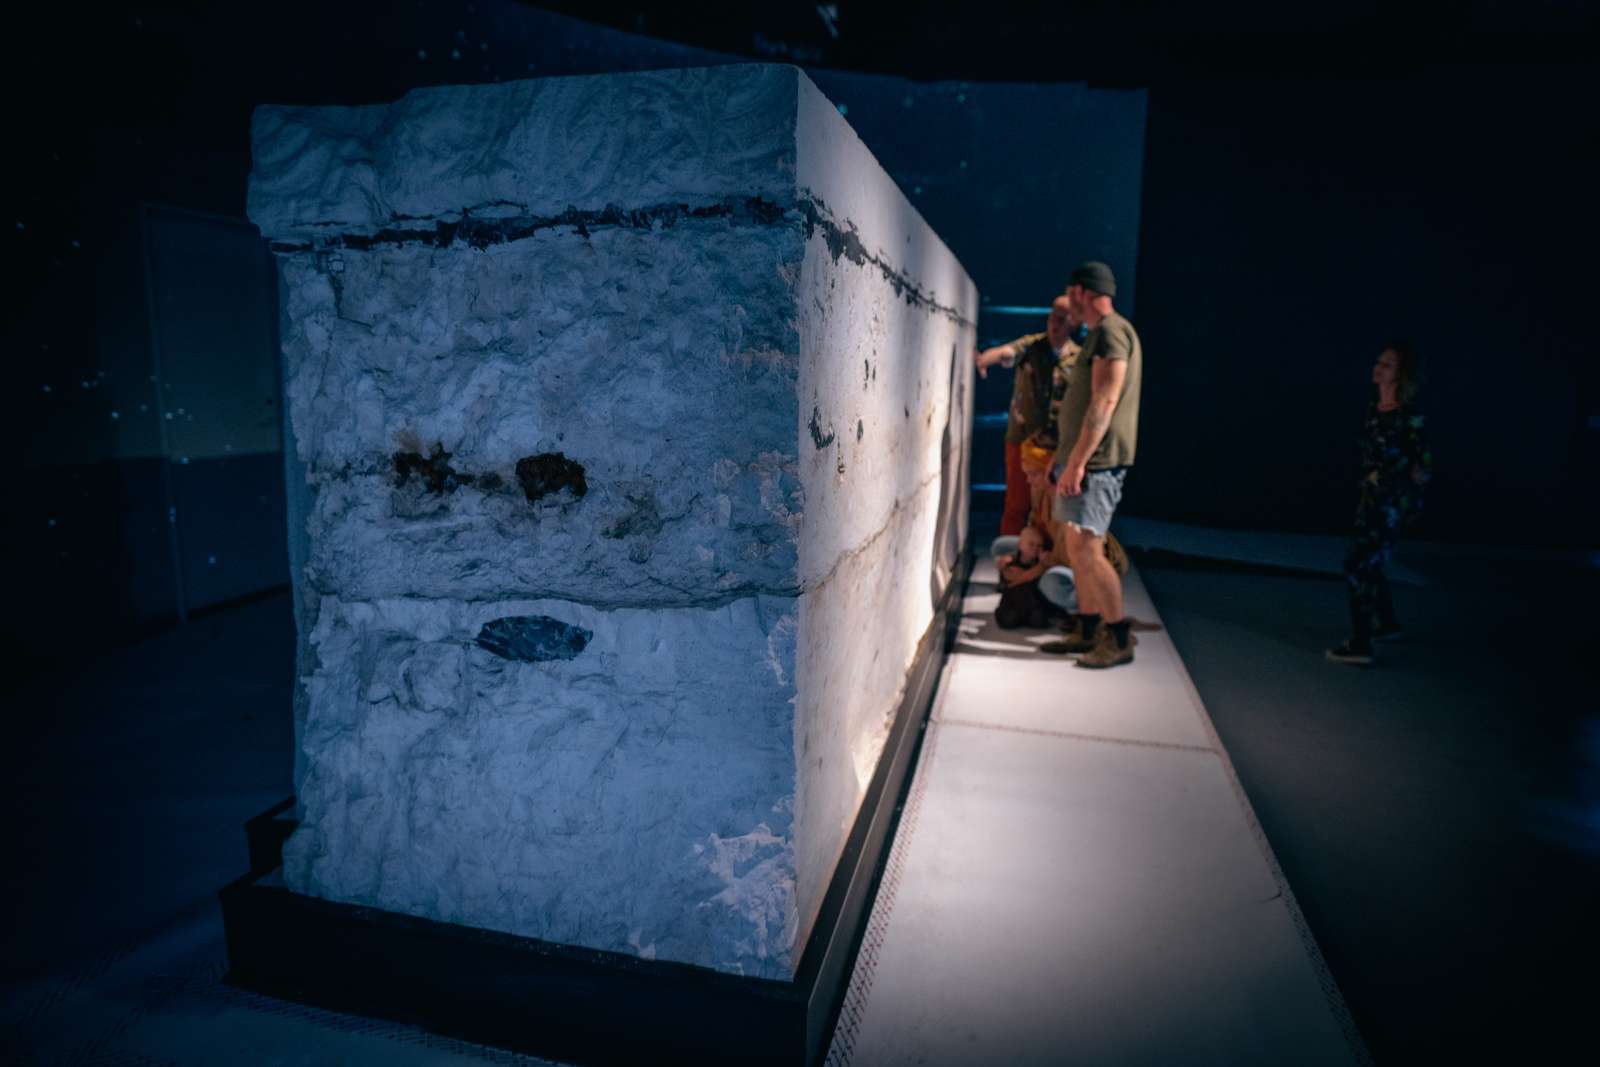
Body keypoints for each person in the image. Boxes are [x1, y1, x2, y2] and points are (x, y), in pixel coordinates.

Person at [1042, 261, 1142, 668]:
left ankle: (1117, 637)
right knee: (1078, 547)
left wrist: (1078, 462)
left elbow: (1104, 401)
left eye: (1072, 295)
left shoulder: (1111, 332)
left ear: (1083, 292)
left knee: (1088, 547)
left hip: (1097, 463)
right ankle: (1086, 628)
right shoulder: (1102, 333)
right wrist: (1063, 456)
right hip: (1083, 460)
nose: (1069, 304)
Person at [1326, 342, 1432, 665]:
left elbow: (1423, 467)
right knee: (1369, 564)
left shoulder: (1409, 417)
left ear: (1400, 374)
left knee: (1358, 565)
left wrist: (1404, 499)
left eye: (1386, 365)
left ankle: (1361, 643)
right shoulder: (1375, 409)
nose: (1378, 368)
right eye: (1378, 362)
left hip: (1389, 506)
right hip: (1370, 500)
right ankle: (1386, 623)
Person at [975, 295, 1086, 535]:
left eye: (1061, 319)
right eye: (1052, 317)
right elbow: (1007, 352)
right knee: (1016, 503)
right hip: (1023, 438)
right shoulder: (1032, 346)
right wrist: (986, 359)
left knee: (1051, 509)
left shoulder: (1079, 359)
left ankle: (1044, 556)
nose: (1054, 324)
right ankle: (1010, 554)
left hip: (1056, 446)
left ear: (1073, 323)